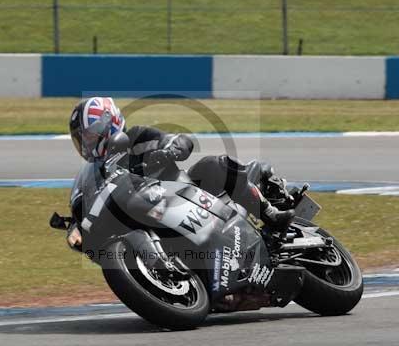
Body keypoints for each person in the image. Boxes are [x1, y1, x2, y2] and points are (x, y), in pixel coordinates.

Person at [66, 96, 294, 249]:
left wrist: (171, 150)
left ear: (109, 124)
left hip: (189, 196)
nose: (86, 144)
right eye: (81, 139)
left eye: (89, 136)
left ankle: (270, 214)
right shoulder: (98, 173)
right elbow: (92, 202)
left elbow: (180, 140)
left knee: (214, 165)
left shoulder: (137, 137)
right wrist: (77, 226)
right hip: (151, 219)